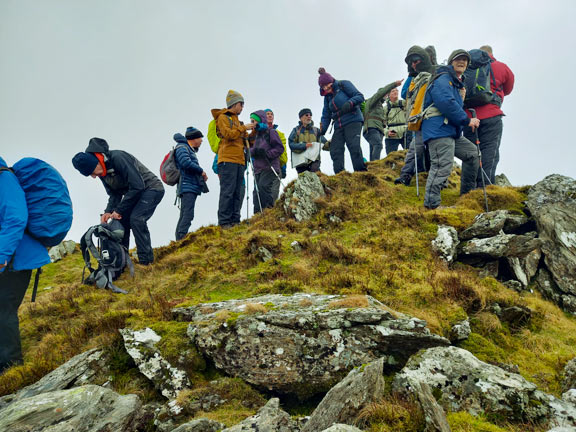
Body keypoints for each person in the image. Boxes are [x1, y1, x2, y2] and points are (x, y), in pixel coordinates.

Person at [72, 138, 165, 265]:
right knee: (120, 221)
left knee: (136, 219)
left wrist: (119, 210)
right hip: (134, 194)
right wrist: (108, 211)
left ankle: (146, 262)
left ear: (96, 163)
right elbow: (114, 194)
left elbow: (138, 185)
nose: (93, 176)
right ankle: (122, 261)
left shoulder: (118, 158)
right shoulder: (102, 172)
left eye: (92, 172)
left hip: (151, 188)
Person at [0, 157, 51, 374]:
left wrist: (2, 254)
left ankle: (11, 369)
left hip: (16, 259)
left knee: (3, 309)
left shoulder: (5, 179)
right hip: (9, 258)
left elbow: (16, 218)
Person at [421, 49, 480, 210]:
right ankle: (431, 206)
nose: (462, 62)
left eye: (465, 60)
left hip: (451, 131)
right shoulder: (443, 79)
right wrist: (467, 120)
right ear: (450, 62)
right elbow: (446, 103)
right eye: (458, 59)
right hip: (439, 129)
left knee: (473, 154)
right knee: (442, 165)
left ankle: (466, 197)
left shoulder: (455, 83)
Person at [463, 45, 515, 187]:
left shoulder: (467, 68)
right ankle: (484, 189)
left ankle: (468, 191)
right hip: (492, 115)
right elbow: (509, 88)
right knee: (489, 153)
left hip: (469, 118)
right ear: (490, 54)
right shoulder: (500, 66)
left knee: (470, 154)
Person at [211, 90, 255, 228]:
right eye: (241, 105)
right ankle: (224, 222)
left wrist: (254, 131)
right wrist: (243, 128)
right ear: (234, 103)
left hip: (239, 160)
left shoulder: (236, 120)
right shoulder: (223, 117)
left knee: (237, 191)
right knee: (227, 191)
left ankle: (235, 220)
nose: (242, 108)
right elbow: (228, 134)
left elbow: (246, 140)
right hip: (227, 159)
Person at [395, 45, 437, 186]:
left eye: (417, 60)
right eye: (412, 62)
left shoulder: (437, 72)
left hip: (430, 117)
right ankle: (406, 175)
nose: (414, 64)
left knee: (426, 148)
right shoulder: (415, 76)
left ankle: (419, 175)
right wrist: (410, 75)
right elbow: (405, 93)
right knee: (417, 147)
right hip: (420, 117)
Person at [318, 67, 367, 173]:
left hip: (353, 119)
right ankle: (340, 175)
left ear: (331, 81)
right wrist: (322, 131)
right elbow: (326, 115)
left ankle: (361, 173)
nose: (326, 88)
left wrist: (350, 103)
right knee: (335, 149)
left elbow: (359, 96)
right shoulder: (327, 98)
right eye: (323, 86)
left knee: (354, 146)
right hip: (339, 124)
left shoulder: (343, 84)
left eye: (327, 85)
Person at [174, 127, 208, 241]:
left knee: (185, 214)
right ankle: (181, 239)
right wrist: (201, 171)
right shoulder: (182, 147)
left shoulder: (185, 148)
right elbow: (185, 162)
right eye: (200, 138)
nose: (201, 141)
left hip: (188, 185)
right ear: (194, 138)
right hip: (187, 185)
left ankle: (180, 239)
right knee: (187, 214)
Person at [248, 110, 285, 213]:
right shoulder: (253, 136)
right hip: (258, 168)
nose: (252, 123)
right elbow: (248, 150)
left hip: (270, 166)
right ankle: (257, 215)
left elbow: (279, 148)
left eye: (254, 121)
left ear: (260, 121)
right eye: (251, 120)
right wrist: (254, 151)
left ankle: (269, 212)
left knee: (263, 187)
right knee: (256, 192)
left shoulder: (271, 132)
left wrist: (267, 153)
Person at [362, 80, 404, 161]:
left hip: (378, 130)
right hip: (371, 128)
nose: (386, 96)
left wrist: (384, 131)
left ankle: (372, 167)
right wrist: (394, 84)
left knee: (373, 148)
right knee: (378, 145)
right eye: (385, 94)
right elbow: (381, 93)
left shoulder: (381, 106)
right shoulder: (373, 101)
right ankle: (376, 165)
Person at [288, 108, 326, 173]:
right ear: (301, 118)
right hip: (300, 162)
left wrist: (332, 143)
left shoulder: (316, 130)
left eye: (310, 115)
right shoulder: (296, 130)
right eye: (306, 115)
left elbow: (324, 144)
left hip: (314, 161)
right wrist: (304, 145)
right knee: (304, 180)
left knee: (316, 176)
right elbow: (291, 144)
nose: (309, 116)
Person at [264, 109, 288, 181]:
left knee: (274, 191)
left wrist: (283, 168)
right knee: (261, 190)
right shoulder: (258, 132)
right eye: (267, 114)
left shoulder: (279, 134)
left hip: (277, 166)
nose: (270, 115)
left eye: (271, 114)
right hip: (262, 168)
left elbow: (283, 151)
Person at [383, 87, 408, 155]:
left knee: (410, 155)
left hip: (405, 132)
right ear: (388, 95)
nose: (395, 92)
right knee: (390, 157)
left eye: (397, 90)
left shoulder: (404, 103)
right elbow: (382, 123)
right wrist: (387, 132)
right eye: (393, 91)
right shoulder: (385, 108)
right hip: (392, 134)